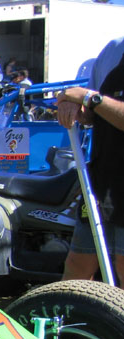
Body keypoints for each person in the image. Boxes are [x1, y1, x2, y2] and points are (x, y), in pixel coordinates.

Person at [56, 36, 124, 286]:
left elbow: (95, 100)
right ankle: (69, 311)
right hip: (102, 181)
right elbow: (94, 113)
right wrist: (75, 107)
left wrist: (89, 98)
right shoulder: (114, 50)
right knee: (78, 264)